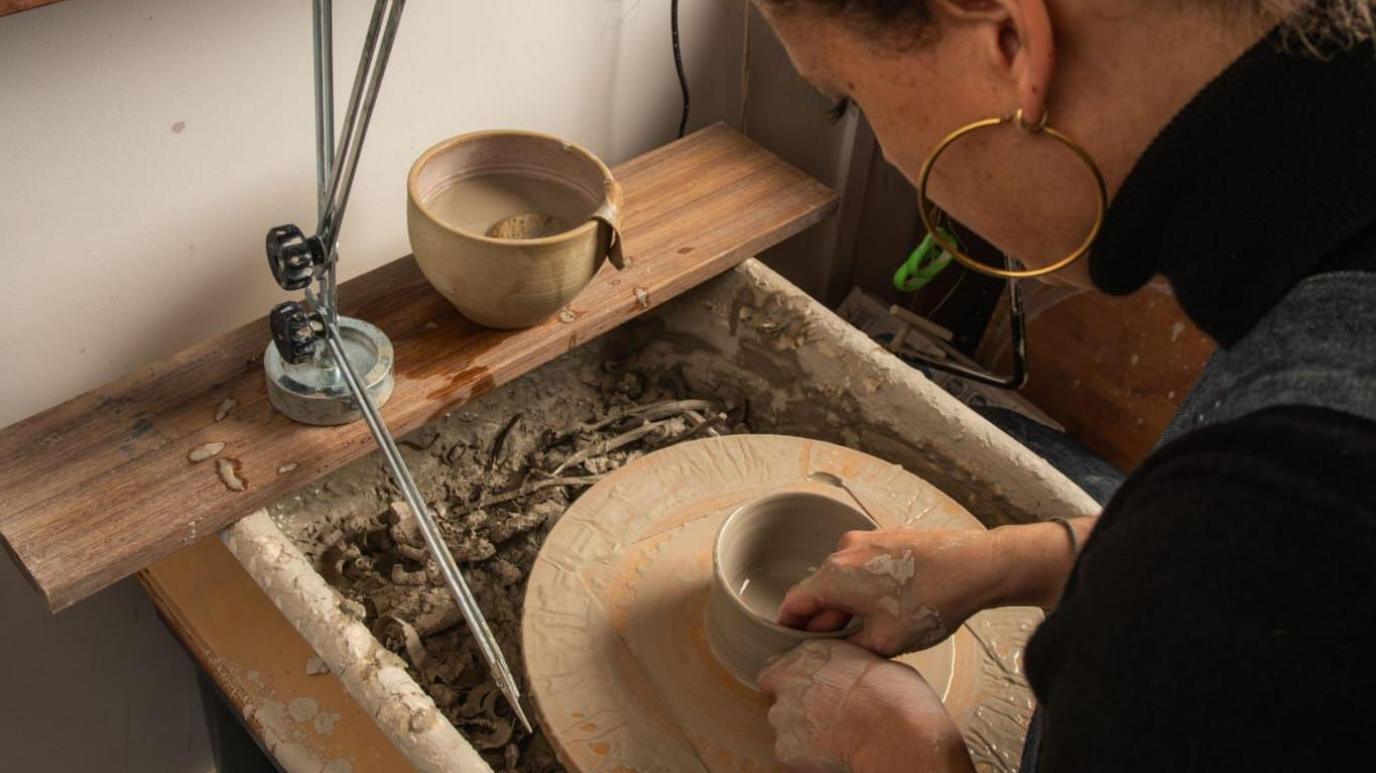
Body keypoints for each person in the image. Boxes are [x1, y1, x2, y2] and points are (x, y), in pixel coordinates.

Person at [750, 0, 1376, 770]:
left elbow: (1265, 568)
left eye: (847, 92)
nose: (889, 158)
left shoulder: (1263, 524)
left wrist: (899, 753)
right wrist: (1023, 560)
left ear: (1015, 42)